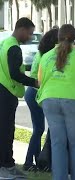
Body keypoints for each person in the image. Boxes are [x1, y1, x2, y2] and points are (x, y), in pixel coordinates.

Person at [36, 24, 75, 180]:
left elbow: (39, 82)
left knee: (58, 144)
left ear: (58, 37)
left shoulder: (46, 56)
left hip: (49, 100)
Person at [0, 17, 37, 179]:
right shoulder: (14, 48)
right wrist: (35, 82)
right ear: (21, 29)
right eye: (29, 33)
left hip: (2, 89)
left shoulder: (5, 43)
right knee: (7, 131)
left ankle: (6, 164)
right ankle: (7, 166)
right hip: (7, 93)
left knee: (4, 130)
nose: (30, 37)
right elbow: (15, 74)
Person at [23, 28, 59, 172]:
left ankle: (38, 161)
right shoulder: (47, 56)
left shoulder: (42, 53)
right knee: (39, 129)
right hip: (36, 93)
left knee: (39, 129)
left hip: (34, 93)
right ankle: (29, 162)